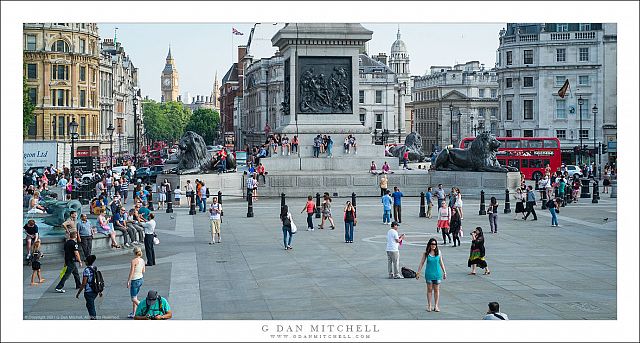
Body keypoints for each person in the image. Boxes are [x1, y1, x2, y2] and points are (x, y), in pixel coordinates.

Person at [416, 238, 447, 312]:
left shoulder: (439, 252)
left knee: (436, 290)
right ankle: (429, 305)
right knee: (429, 290)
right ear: (429, 245)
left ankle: (436, 305)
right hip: (429, 274)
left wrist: (444, 272)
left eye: (435, 244)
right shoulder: (426, 253)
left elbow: (441, 262)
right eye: (432, 244)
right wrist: (418, 272)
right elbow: (421, 263)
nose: (434, 245)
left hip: (437, 274)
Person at [75, 255, 101, 320]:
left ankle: (93, 319)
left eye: (85, 261)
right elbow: (97, 280)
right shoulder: (94, 268)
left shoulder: (86, 270)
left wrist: (78, 292)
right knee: (89, 305)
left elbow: (84, 283)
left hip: (89, 292)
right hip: (95, 291)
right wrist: (100, 291)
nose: (84, 262)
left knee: (91, 306)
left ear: (87, 262)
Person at [127, 247, 146, 318]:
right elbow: (144, 271)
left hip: (135, 280)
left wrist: (128, 281)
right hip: (141, 279)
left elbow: (131, 272)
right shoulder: (142, 260)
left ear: (134, 253)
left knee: (133, 299)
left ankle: (144, 309)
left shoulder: (134, 261)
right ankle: (134, 313)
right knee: (135, 296)